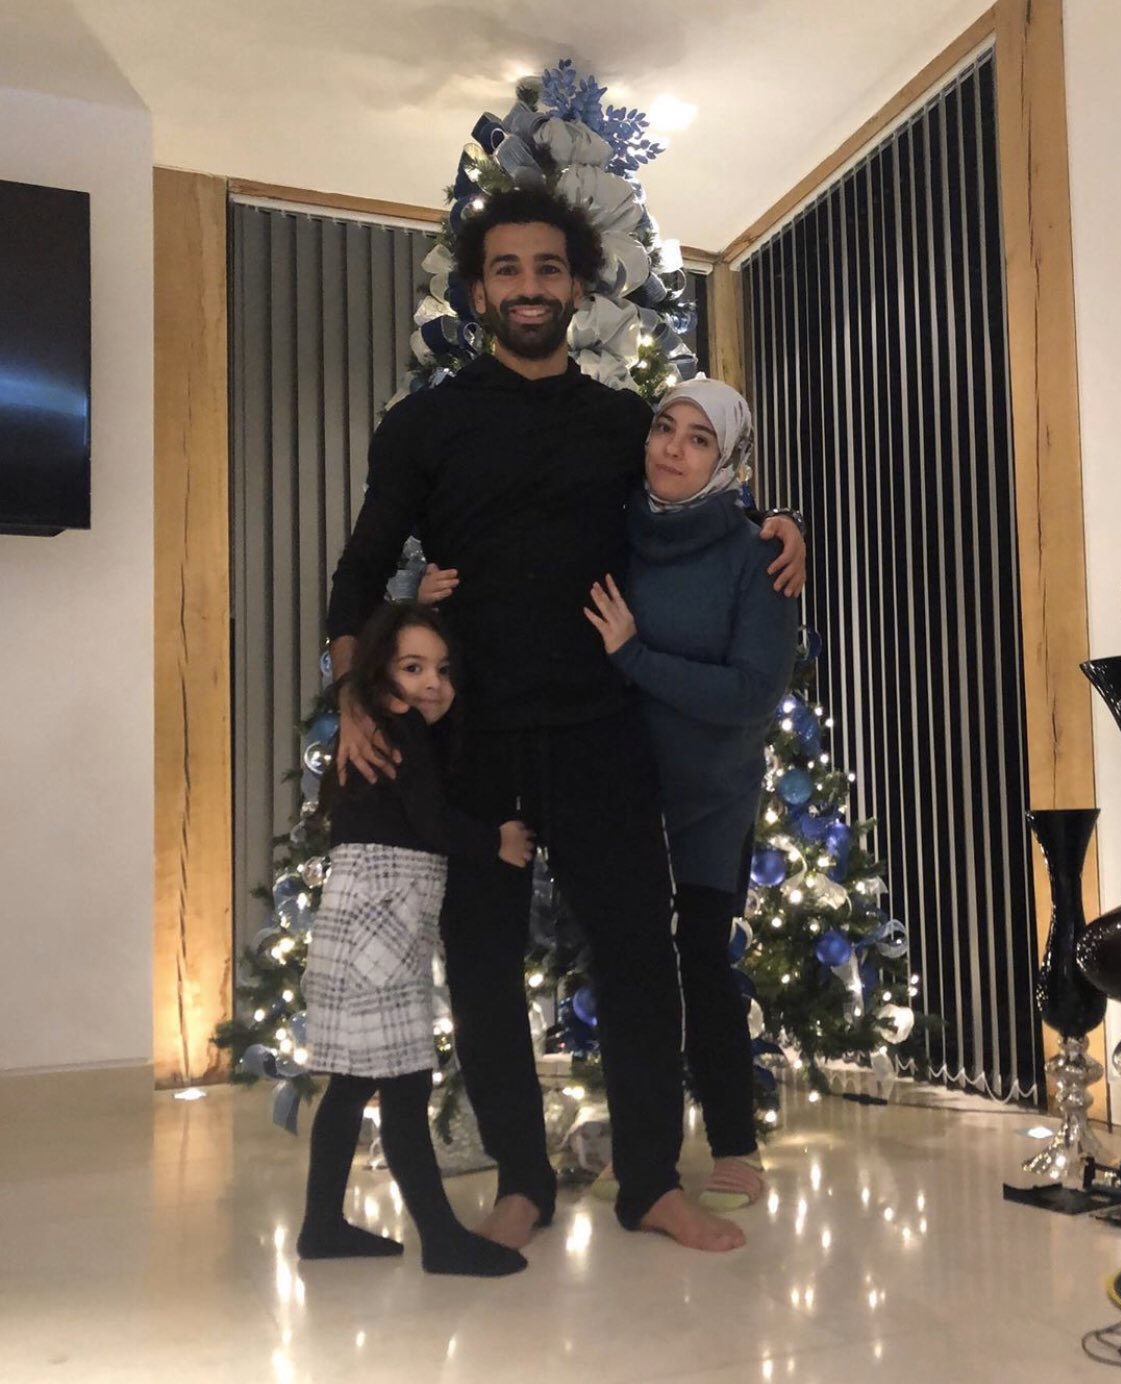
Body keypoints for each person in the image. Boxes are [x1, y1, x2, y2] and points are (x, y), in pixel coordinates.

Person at [326, 187, 804, 1253]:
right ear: (477, 290)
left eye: (548, 267)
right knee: (482, 966)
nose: (529, 286)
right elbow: (361, 570)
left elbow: (698, 497)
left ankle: (650, 1184)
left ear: (578, 285)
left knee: (638, 959)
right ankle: (523, 1183)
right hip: (474, 739)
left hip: (601, 729)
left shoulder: (624, 423)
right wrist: (355, 695)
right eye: (507, 268)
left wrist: (780, 521)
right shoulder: (423, 426)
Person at [583, 379, 798, 1210]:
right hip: (624, 787)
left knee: (703, 964)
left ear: (728, 458)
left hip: (710, 796)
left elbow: (751, 693)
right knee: (632, 969)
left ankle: (735, 1144)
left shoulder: (757, 554)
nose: (672, 448)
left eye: (698, 438)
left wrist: (634, 656)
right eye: (664, 428)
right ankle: (646, 1141)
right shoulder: (617, 531)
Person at [298, 601, 535, 1277]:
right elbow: (430, 820)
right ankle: (441, 1239)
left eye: (441, 669)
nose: (432, 682)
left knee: (352, 1082)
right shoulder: (397, 730)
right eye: (413, 667)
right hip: (382, 919)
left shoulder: (384, 727)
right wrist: (496, 841)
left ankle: (322, 1226)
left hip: (367, 916)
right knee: (403, 1082)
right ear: (379, 671)